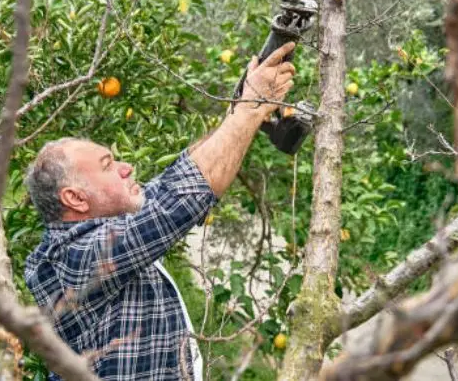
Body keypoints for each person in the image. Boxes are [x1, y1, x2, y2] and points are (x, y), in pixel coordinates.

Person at [23, 42, 298, 380]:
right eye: (108, 165)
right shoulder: (70, 260)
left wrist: (240, 110)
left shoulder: (108, 232)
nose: (126, 168)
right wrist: (248, 110)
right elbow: (176, 201)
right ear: (76, 200)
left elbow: (175, 182)